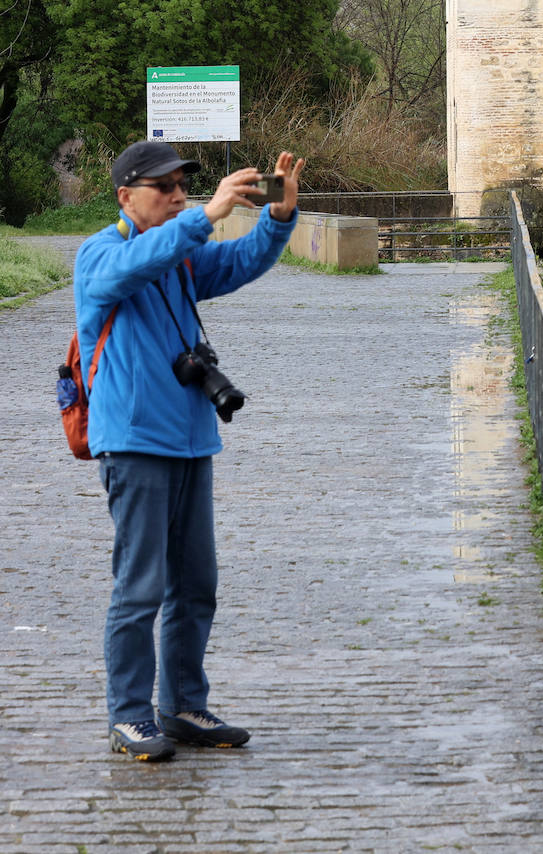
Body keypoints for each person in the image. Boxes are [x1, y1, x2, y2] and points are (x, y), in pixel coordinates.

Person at [74, 141, 306, 761]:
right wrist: (202, 217)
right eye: (165, 188)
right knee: (140, 586)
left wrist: (278, 218)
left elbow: (237, 263)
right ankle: (129, 715)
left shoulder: (178, 259)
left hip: (189, 441)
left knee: (196, 584)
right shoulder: (100, 253)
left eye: (184, 187)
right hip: (133, 443)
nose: (179, 196)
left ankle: (180, 704)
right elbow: (126, 272)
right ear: (126, 197)